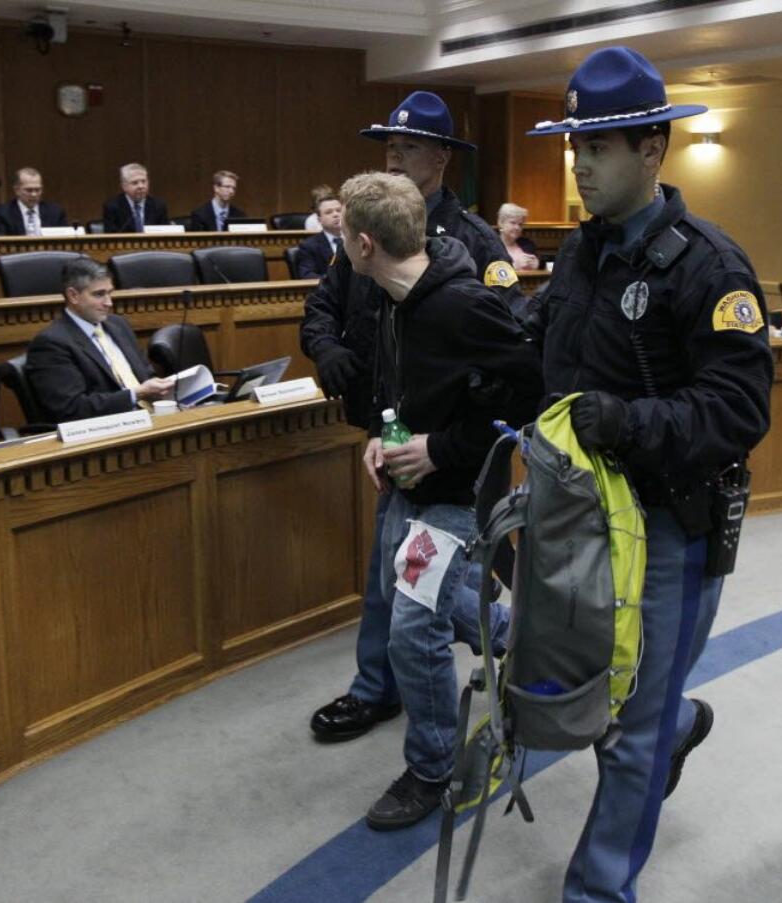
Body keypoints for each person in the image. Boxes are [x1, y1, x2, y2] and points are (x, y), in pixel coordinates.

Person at [524, 46, 773, 902]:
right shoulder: (580, 254)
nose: (582, 166)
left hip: (671, 526)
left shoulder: (709, 265)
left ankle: (596, 890)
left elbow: (738, 412)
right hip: (587, 522)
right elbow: (544, 355)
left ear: (653, 148)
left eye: (600, 147)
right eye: (575, 148)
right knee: (600, 699)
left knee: (629, 729)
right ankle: (670, 727)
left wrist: (628, 421)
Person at [302, 90, 525, 748]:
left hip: (458, 450)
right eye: (389, 148)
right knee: (397, 574)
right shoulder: (369, 230)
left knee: (417, 580)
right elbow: (322, 310)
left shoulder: (476, 245)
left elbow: (508, 365)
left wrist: (450, 442)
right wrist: (331, 351)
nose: (394, 159)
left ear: (441, 160)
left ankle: (424, 679)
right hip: (394, 430)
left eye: (407, 149)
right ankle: (393, 681)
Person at [337, 171, 539, 830]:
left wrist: (439, 448)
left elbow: (528, 393)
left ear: (364, 243)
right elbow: (404, 387)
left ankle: (432, 766)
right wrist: (383, 437)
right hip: (410, 481)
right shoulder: (395, 299)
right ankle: (523, 638)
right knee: (410, 599)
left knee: (413, 629)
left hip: (456, 491)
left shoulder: (460, 305)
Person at [25, 257, 173, 423]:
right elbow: (72, 409)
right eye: (99, 294)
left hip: (151, 418)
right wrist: (136, 394)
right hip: (108, 431)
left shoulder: (119, 325)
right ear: (73, 296)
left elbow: (145, 374)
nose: (109, 303)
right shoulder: (51, 344)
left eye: (110, 293)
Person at [0, 168, 68, 236]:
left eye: (38, 190)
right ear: (17, 190)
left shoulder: (55, 212)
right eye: (29, 190)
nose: (34, 194)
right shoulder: (2, 213)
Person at [102, 164, 169, 233]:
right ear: (124, 186)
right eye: (135, 183)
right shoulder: (113, 207)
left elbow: (165, 234)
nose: (141, 186)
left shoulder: (158, 206)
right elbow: (111, 237)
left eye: (143, 181)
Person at [294, 187, 342, 278]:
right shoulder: (308, 246)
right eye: (329, 212)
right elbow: (307, 275)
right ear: (319, 219)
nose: (336, 215)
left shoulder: (356, 240)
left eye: (339, 210)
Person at [497, 202, 540, 271]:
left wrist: (537, 265)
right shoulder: (491, 247)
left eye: (520, 224)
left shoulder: (528, 244)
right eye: (513, 223)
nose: (517, 227)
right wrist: (514, 266)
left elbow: (539, 270)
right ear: (501, 223)